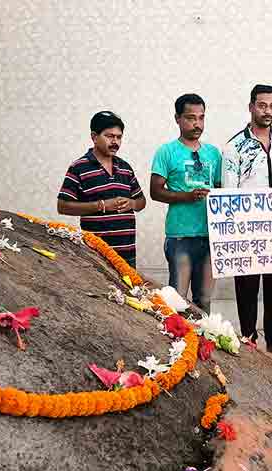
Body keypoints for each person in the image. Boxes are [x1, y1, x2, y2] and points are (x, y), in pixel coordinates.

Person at [223, 85, 272, 358]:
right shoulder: (233, 147)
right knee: (247, 287)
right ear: (251, 107)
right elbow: (229, 192)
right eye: (262, 105)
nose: (267, 111)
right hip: (247, 229)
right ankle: (249, 338)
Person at [149, 94, 222, 312]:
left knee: (205, 300)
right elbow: (155, 192)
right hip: (180, 236)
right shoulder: (166, 152)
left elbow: (221, 190)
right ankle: (180, 343)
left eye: (201, 118)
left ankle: (204, 345)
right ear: (177, 118)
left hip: (210, 237)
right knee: (178, 301)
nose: (197, 124)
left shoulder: (213, 153)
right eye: (191, 118)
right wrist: (187, 197)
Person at [57, 111, 146, 266]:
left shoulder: (125, 167)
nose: (115, 142)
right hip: (96, 257)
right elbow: (63, 206)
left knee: (130, 290)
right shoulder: (79, 167)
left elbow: (141, 201)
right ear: (94, 137)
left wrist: (131, 204)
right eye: (109, 136)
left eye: (119, 137)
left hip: (127, 255)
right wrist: (102, 205)